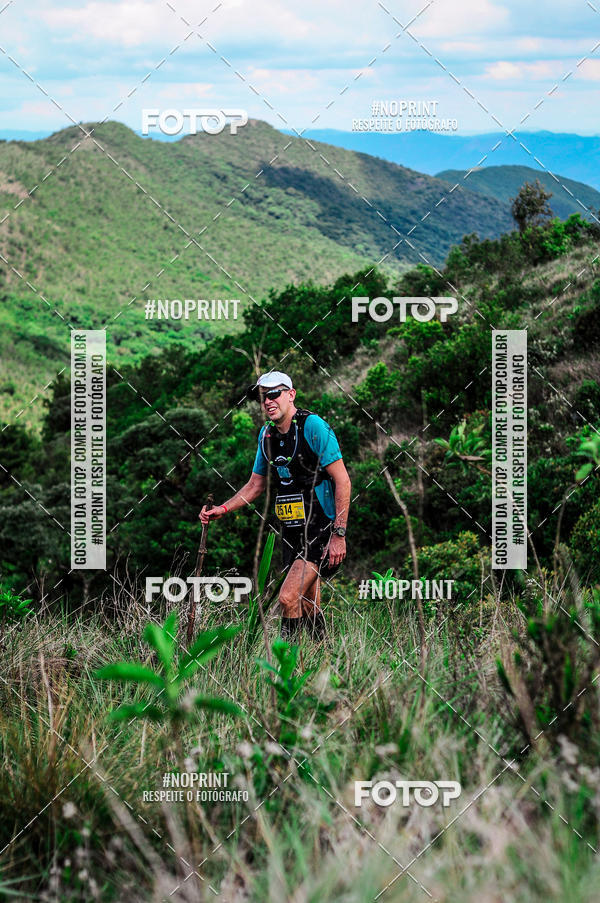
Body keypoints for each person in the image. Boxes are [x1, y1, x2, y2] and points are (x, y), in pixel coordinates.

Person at [199, 371, 351, 641]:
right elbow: (255, 485)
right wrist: (222, 509)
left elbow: (343, 480)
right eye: (262, 397)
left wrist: (339, 535)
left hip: (319, 525)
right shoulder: (266, 435)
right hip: (291, 528)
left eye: (273, 394)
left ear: (291, 395)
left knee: (287, 596)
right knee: (307, 600)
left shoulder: (313, 426)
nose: (267, 401)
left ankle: (285, 669)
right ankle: (325, 658)